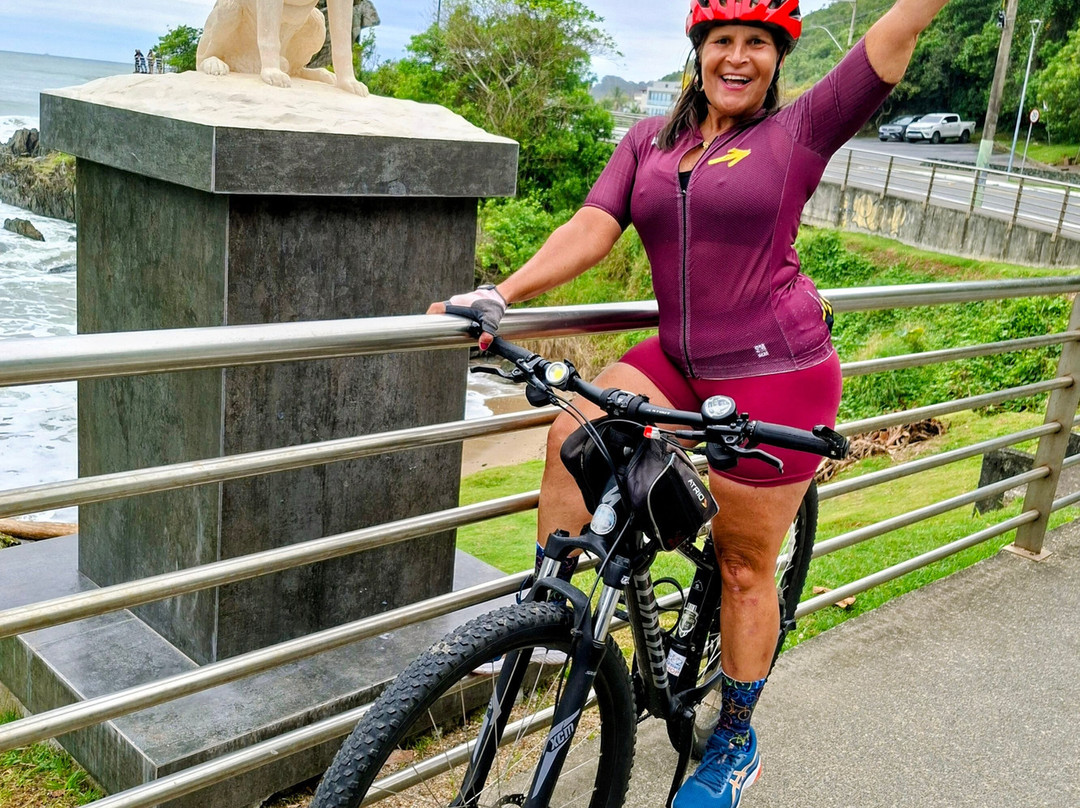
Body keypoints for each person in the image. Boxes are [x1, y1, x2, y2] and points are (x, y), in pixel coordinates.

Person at [430, 0, 951, 804]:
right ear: (698, 53)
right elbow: (595, 225)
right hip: (676, 357)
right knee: (579, 430)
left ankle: (735, 739)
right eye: (722, 42)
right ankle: (554, 616)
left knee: (744, 567)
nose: (736, 58)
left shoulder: (802, 130)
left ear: (778, 59)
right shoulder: (648, 140)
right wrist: (500, 293)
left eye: (756, 44)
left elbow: (898, 31)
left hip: (777, 369)